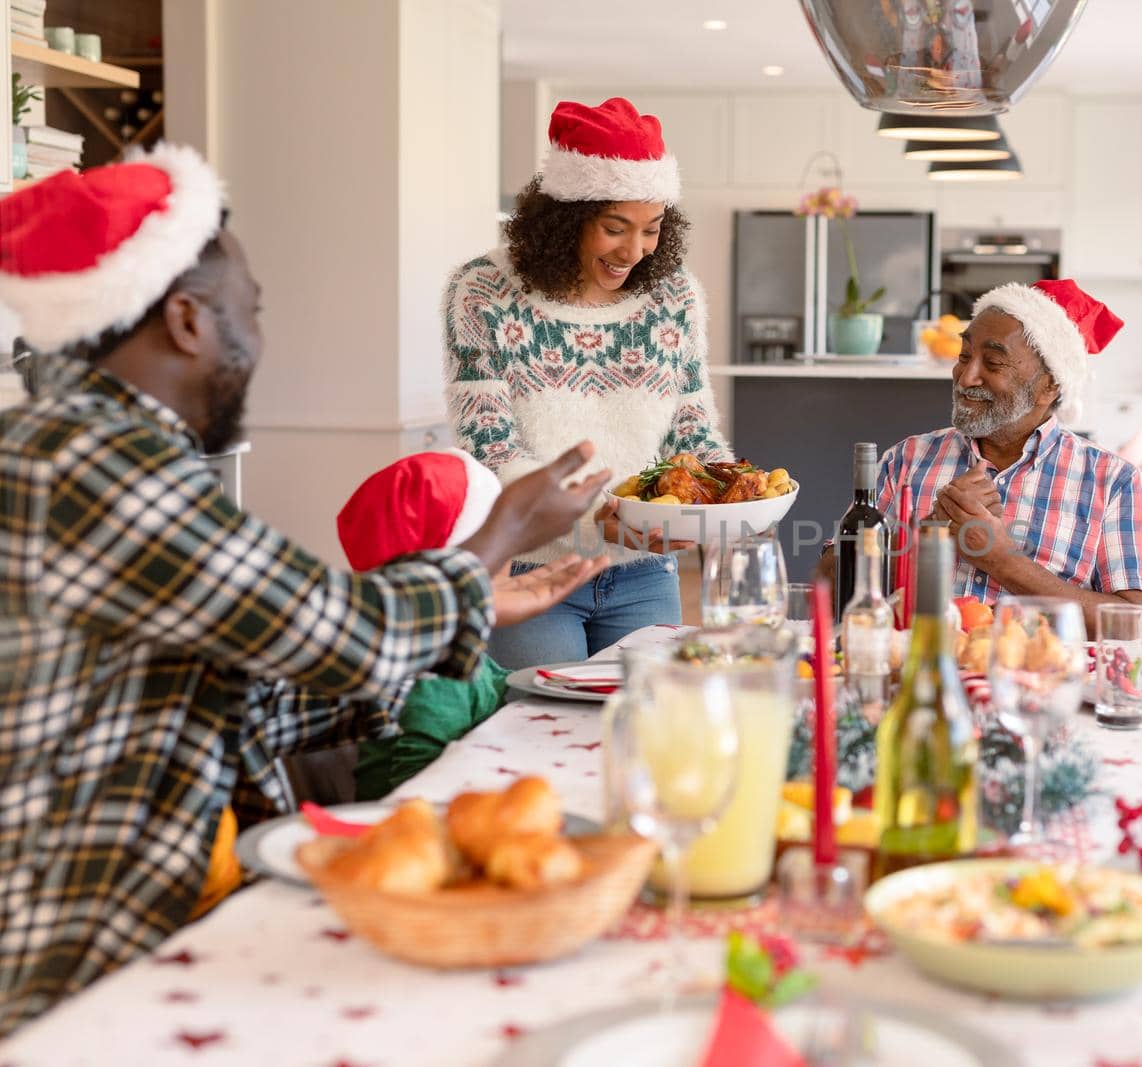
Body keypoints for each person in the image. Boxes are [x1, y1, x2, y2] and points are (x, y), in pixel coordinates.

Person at [0, 145, 610, 1035]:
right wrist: (500, 534)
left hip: (136, 929)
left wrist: (474, 597)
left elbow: (223, 696)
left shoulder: (78, 447)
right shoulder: (93, 464)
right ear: (187, 320)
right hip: (73, 970)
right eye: (252, 307)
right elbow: (348, 633)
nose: (258, 333)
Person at [443, 96, 732, 668]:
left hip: (646, 574)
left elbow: (691, 431)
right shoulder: (484, 291)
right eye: (614, 228)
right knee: (540, 737)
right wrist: (597, 513)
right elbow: (489, 445)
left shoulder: (674, 297)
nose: (635, 251)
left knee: (650, 733)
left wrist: (723, 493)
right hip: (531, 572)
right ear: (565, 219)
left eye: (651, 230)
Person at [828, 279, 1142, 634]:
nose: (966, 376)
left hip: (1039, 679)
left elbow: (1135, 623)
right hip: (917, 671)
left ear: (1049, 386)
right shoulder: (907, 458)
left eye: (992, 362)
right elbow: (829, 583)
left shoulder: (1113, 481)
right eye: (963, 357)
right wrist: (928, 536)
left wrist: (1002, 560)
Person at [335, 449, 606, 799]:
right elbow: (418, 794)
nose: (512, 553)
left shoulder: (452, 644)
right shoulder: (434, 679)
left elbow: (492, 687)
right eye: (502, 538)